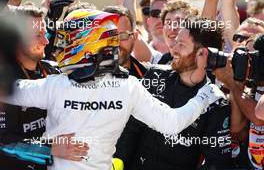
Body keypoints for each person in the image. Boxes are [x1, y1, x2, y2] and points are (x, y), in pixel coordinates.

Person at [2, 9, 224, 170]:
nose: (60, 46)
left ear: (86, 44)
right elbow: (172, 123)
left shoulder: (55, 85)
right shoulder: (128, 87)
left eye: (68, 40)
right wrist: (204, 96)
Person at [113, 16, 235, 170]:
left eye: (181, 44)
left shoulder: (215, 101)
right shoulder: (154, 76)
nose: (173, 49)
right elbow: (128, 132)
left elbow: (217, 163)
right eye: (175, 42)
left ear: (202, 54)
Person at [0, 5, 88, 170]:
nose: (46, 41)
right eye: (37, 35)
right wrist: (49, 148)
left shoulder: (53, 70)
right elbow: (3, 143)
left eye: (45, 34)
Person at [214, 34, 264, 169]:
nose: (253, 61)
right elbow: (236, 127)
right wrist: (237, 81)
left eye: (258, 57)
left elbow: (258, 115)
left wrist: (231, 83)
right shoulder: (253, 90)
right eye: (248, 57)